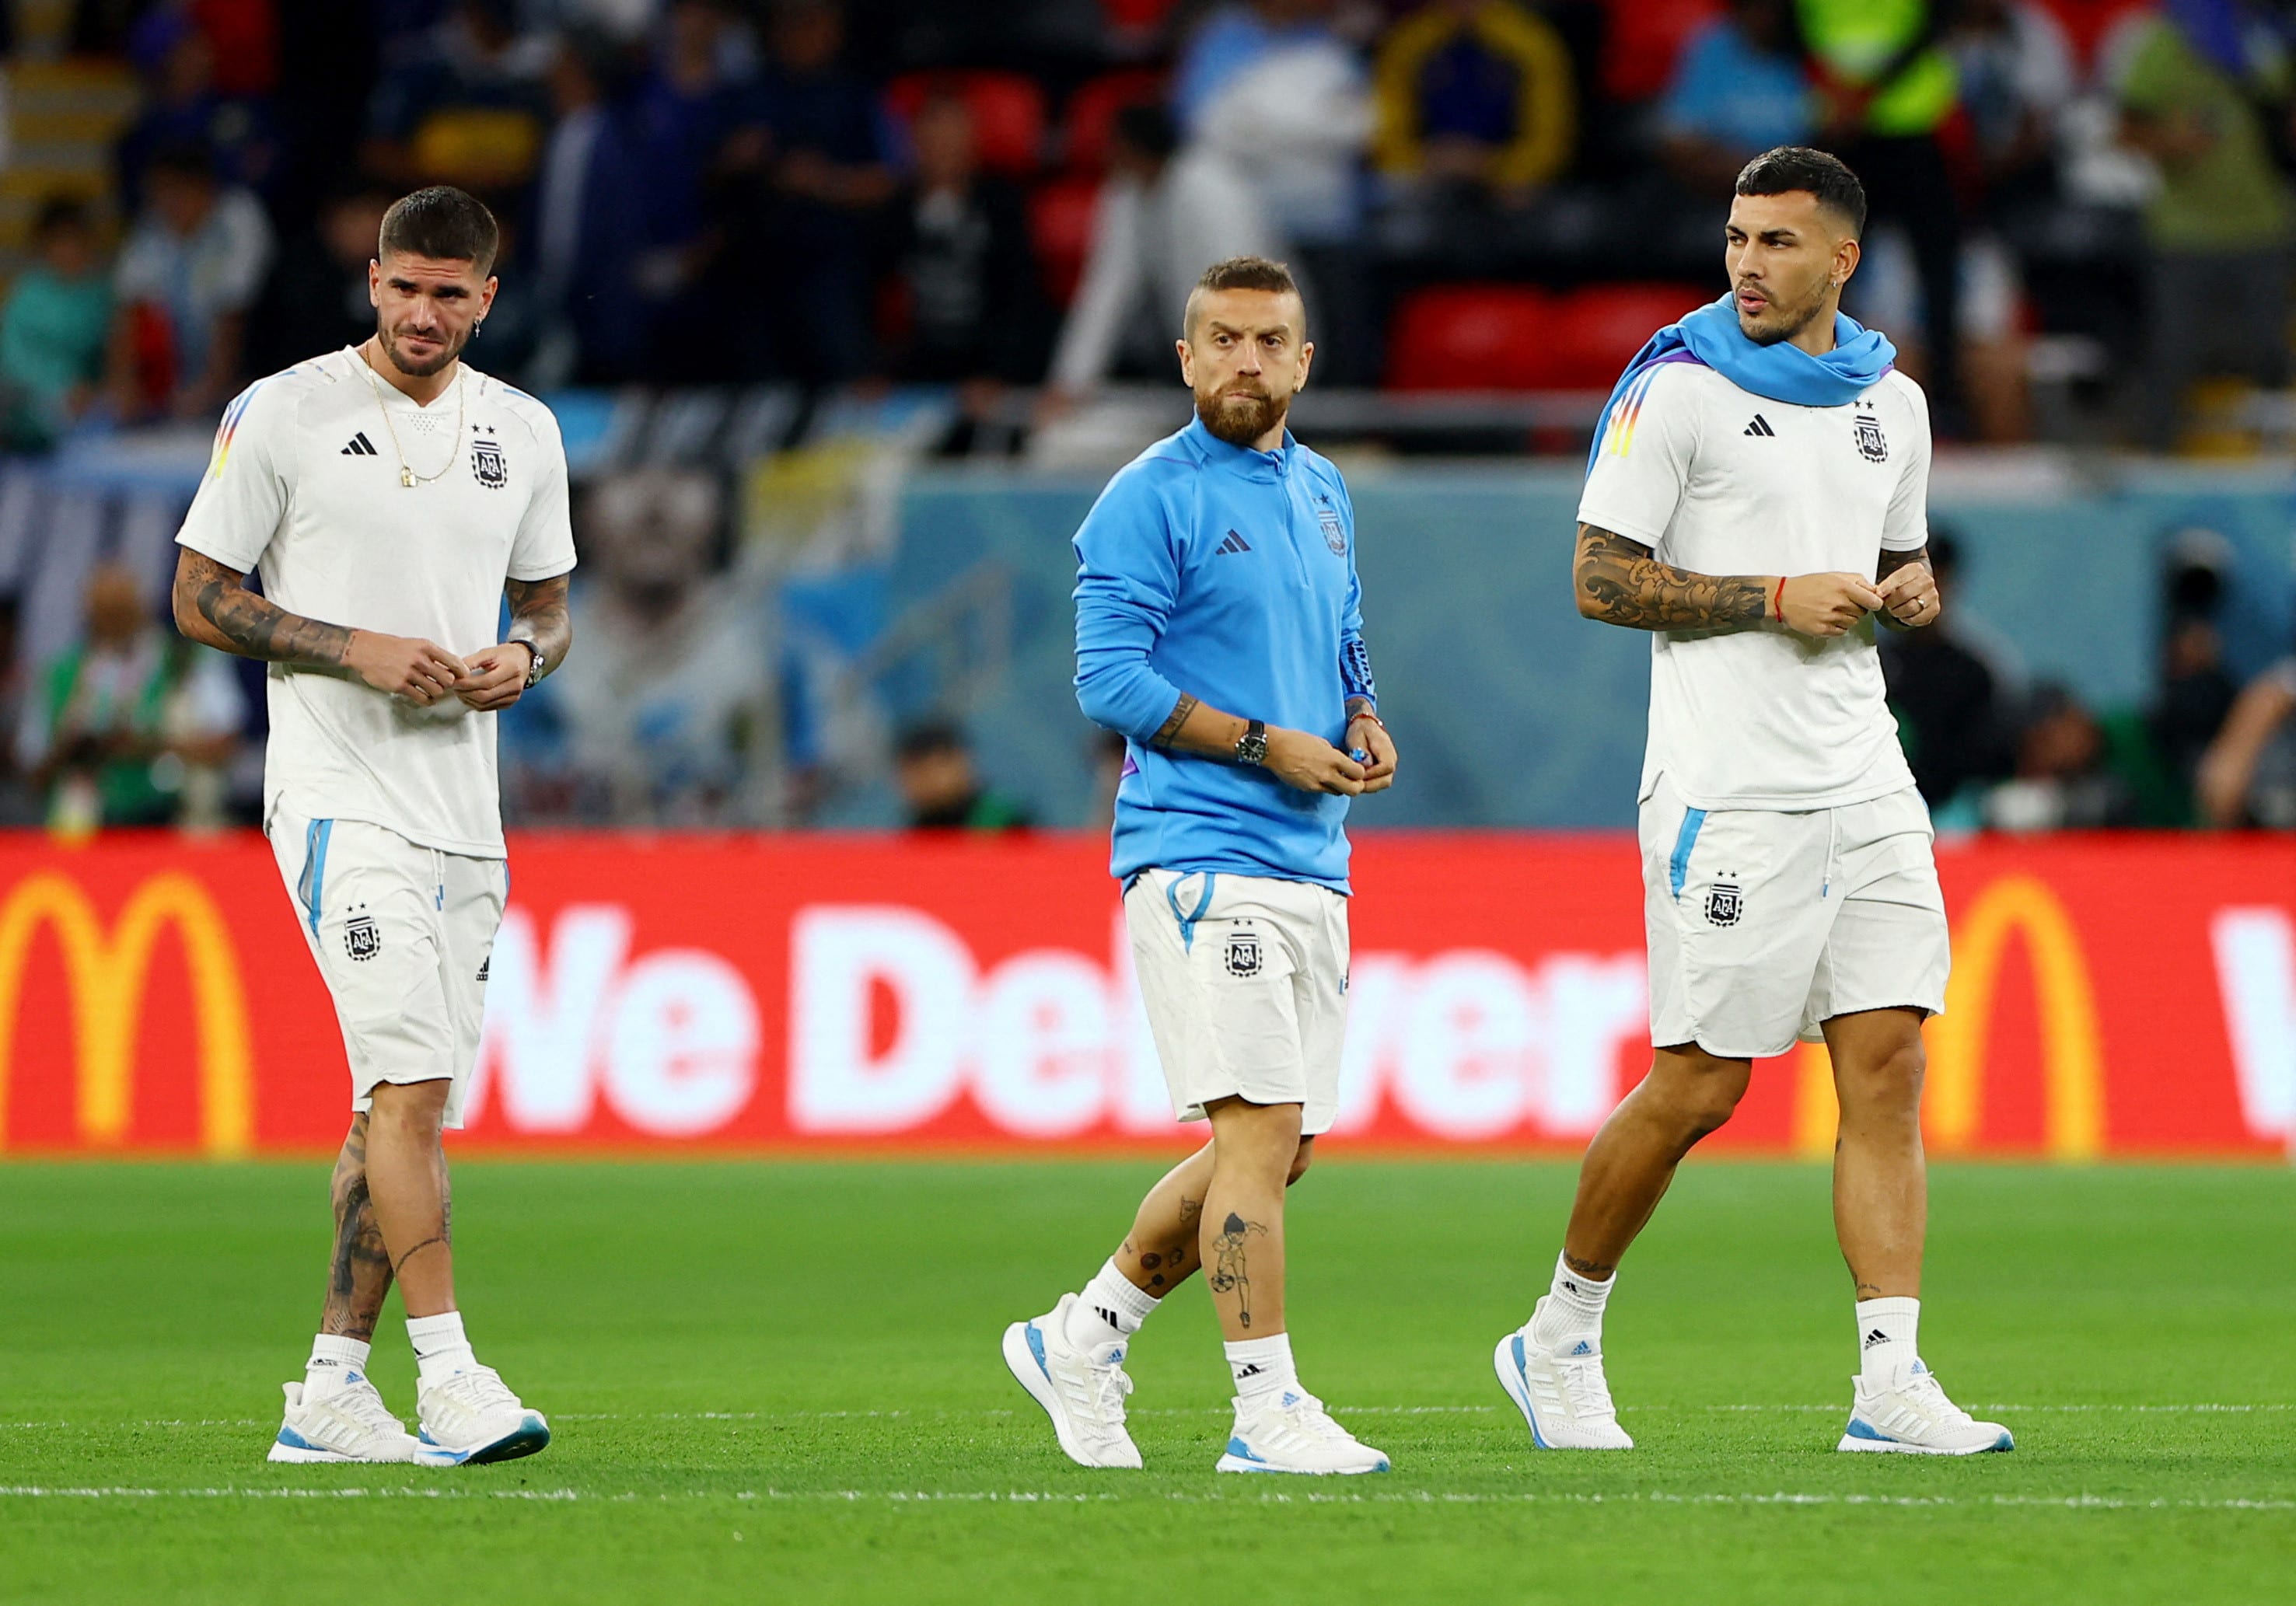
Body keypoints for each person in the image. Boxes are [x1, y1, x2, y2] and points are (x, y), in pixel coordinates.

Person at [1497, 148, 2012, 1458]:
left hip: (1863, 773)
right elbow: (1596, 580)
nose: (1744, 264)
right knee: (1699, 1084)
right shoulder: (1674, 392)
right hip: (1725, 788)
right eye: (1734, 238)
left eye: (1776, 243)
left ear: (1840, 259)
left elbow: (1893, 557)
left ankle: (1888, 1382)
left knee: (1886, 1068)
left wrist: (1905, 593)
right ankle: (1555, 1330)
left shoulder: (1891, 401)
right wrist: (1764, 599)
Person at [170, 186, 575, 1468]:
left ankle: (329, 1392)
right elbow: (199, 594)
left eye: (449, 294)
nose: (421, 313)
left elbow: (552, 607)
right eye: (402, 286)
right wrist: (352, 650)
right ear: (371, 279)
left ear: (487, 299)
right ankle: (452, 1377)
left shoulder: (524, 430)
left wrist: (525, 656)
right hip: (339, 798)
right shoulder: (282, 411)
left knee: (394, 1110)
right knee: (408, 1088)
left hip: (466, 811)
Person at [1005, 255, 1399, 1476]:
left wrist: (1361, 714)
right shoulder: (1146, 494)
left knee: (1282, 1148)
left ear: (1302, 359)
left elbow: (1339, 634)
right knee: (1258, 1130)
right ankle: (1264, 1411)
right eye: (1220, 338)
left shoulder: (1326, 487)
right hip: (1198, 851)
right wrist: (1260, 742)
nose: (1244, 359)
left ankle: (1084, 1335)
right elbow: (1106, 680)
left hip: (1308, 855)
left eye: (1267, 339)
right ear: (1183, 359)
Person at [2116, 2, 2295, 449]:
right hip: (2185, 232)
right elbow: (2126, 129)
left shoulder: (2278, 31)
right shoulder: (2170, 37)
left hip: (2266, 226)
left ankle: (2277, 469)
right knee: (2173, 356)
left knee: (2272, 357)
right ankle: (2157, 465)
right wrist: (2174, 139)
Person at [1045, 103, 1277, 403]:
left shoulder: (1213, 189)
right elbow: (1107, 290)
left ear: (1130, 147)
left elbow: (1245, 288)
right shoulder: (1127, 193)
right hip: (1188, 357)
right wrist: (1070, 382)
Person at [17, 561, 245, 833]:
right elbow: (30, 772)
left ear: (142, 608)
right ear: (87, 614)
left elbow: (226, 745)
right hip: (85, 830)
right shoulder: (61, 675)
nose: (112, 623)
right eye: (103, 614)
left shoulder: (185, 662)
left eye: (120, 612)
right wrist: (71, 747)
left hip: (173, 823)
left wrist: (147, 746)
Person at [108, 138, 274, 421]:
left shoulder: (239, 219)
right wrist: (123, 385)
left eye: (175, 193)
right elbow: (129, 313)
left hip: (249, 366)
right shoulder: (151, 229)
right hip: (178, 376)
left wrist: (211, 386)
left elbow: (234, 311)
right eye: (157, 194)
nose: (165, 204)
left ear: (203, 188)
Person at [0, 197, 113, 449]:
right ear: (44, 244)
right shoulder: (26, 296)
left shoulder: (101, 294)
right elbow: (13, 361)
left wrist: (94, 391)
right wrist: (63, 390)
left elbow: (110, 357)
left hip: (92, 411)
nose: (69, 250)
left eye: (76, 240)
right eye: (61, 241)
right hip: (29, 412)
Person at [894, 718, 1033, 830]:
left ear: (962, 762)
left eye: (935, 767)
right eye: (916, 771)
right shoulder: (913, 833)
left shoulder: (1005, 821)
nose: (928, 780)